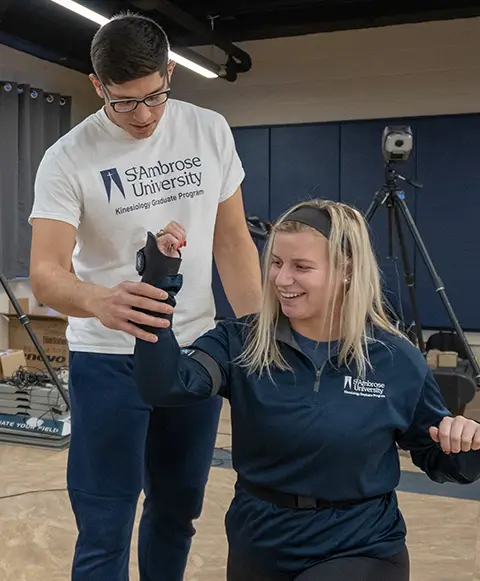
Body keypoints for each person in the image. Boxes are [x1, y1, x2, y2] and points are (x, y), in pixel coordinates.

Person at [28, 12, 262, 581]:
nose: (145, 115)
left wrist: (261, 335)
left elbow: (232, 242)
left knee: (177, 513)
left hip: (194, 354)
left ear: (169, 74)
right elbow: (45, 273)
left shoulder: (208, 130)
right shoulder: (67, 157)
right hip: (108, 360)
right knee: (105, 526)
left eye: (156, 96)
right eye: (125, 103)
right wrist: (99, 301)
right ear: (98, 86)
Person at [133, 198, 480, 581]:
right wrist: (157, 286)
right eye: (277, 263)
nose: (282, 279)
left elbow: (439, 458)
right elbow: (164, 386)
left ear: (346, 270)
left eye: (301, 267)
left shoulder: (394, 360)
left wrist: (466, 444)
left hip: (359, 546)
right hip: (259, 541)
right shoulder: (242, 342)